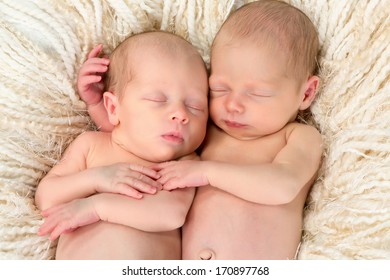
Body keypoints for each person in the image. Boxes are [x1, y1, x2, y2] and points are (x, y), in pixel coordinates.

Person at [48, 0, 323, 260]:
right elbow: (137, 140)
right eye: (219, 89)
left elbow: (282, 186)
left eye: (259, 94)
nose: (233, 105)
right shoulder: (204, 136)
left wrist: (205, 172)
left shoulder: (298, 136)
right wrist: (98, 103)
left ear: (306, 92)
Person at [34, 31, 209, 259]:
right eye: (158, 100)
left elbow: (170, 214)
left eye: (196, 106)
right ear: (114, 108)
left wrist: (95, 207)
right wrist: (96, 178)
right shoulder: (91, 146)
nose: (180, 114)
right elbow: (47, 198)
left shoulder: (181, 164)